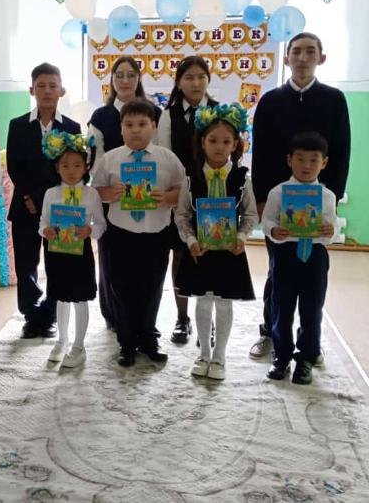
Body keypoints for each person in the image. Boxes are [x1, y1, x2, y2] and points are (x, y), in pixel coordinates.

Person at [249, 32, 350, 363]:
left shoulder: (334, 100)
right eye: (296, 52)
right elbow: (260, 153)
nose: (302, 58)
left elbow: (342, 152)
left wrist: (330, 200)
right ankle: (270, 331)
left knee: (312, 279)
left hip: (316, 206)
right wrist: (262, 199)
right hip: (279, 205)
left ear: (321, 58)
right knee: (277, 271)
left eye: (310, 52)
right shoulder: (270, 101)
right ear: (287, 58)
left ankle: (310, 342)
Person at [94, 99, 186, 367]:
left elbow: (183, 191)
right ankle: (126, 342)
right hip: (120, 234)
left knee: (152, 287)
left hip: (156, 235)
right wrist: (110, 194)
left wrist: (167, 197)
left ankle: (149, 338)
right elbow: (96, 190)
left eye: (142, 124)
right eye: (129, 124)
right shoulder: (110, 159)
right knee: (121, 288)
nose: (136, 130)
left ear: (154, 127)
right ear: (121, 128)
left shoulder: (167, 159)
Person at [174, 103, 257, 380]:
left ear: (235, 144)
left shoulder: (242, 178)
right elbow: (182, 215)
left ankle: (220, 356)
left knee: (223, 303)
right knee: (203, 301)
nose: (219, 147)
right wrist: (190, 240)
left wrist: (242, 237)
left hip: (230, 252)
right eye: (213, 140)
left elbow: (250, 214)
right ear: (202, 142)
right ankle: (204, 354)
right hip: (200, 251)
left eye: (226, 141)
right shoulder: (190, 177)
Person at [7, 63, 81, 339]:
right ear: (32, 90)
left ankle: (50, 315)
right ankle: (30, 315)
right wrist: (29, 197)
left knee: (56, 262)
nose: (47, 91)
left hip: (60, 208)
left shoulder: (71, 127)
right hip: (25, 206)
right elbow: (14, 166)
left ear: (62, 90)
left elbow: (74, 168)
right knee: (26, 263)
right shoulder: (18, 125)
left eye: (53, 86)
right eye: (41, 86)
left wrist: (49, 200)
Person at [87, 56, 160, 331]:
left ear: (139, 78)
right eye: (119, 75)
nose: (125, 80)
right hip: (112, 197)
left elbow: (161, 152)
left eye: (131, 75)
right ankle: (115, 317)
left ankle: (145, 320)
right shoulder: (101, 116)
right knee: (111, 260)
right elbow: (96, 159)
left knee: (147, 261)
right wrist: (108, 189)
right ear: (112, 79)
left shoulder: (154, 112)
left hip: (148, 199)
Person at [260, 131, 339, 384]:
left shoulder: (327, 196)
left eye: (314, 160)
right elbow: (267, 221)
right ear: (289, 160)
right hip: (285, 254)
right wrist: (274, 231)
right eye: (300, 159)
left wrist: (330, 231)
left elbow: (332, 228)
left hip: (315, 257)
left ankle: (306, 357)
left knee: (312, 308)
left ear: (324, 163)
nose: (307, 165)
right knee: (281, 306)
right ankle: (281, 355)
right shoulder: (278, 193)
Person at [157, 56, 219, 345]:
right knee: (180, 255)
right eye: (189, 77)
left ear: (208, 80)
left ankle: (208, 320)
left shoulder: (220, 111)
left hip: (213, 194)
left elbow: (228, 153)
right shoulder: (168, 115)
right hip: (179, 194)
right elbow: (165, 157)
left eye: (201, 77)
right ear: (179, 82)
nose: (196, 83)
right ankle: (182, 319)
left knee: (210, 255)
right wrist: (177, 194)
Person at [39, 131, 106, 368]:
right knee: (60, 297)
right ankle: (62, 340)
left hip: (80, 255)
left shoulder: (91, 194)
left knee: (80, 298)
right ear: (57, 167)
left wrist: (89, 231)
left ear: (85, 167)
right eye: (65, 165)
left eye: (77, 165)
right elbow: (42, 222)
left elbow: (101, 225)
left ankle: (79, 346)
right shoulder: (50, 193)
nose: (71, 170)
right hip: (56, 253)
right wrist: (46, 231)